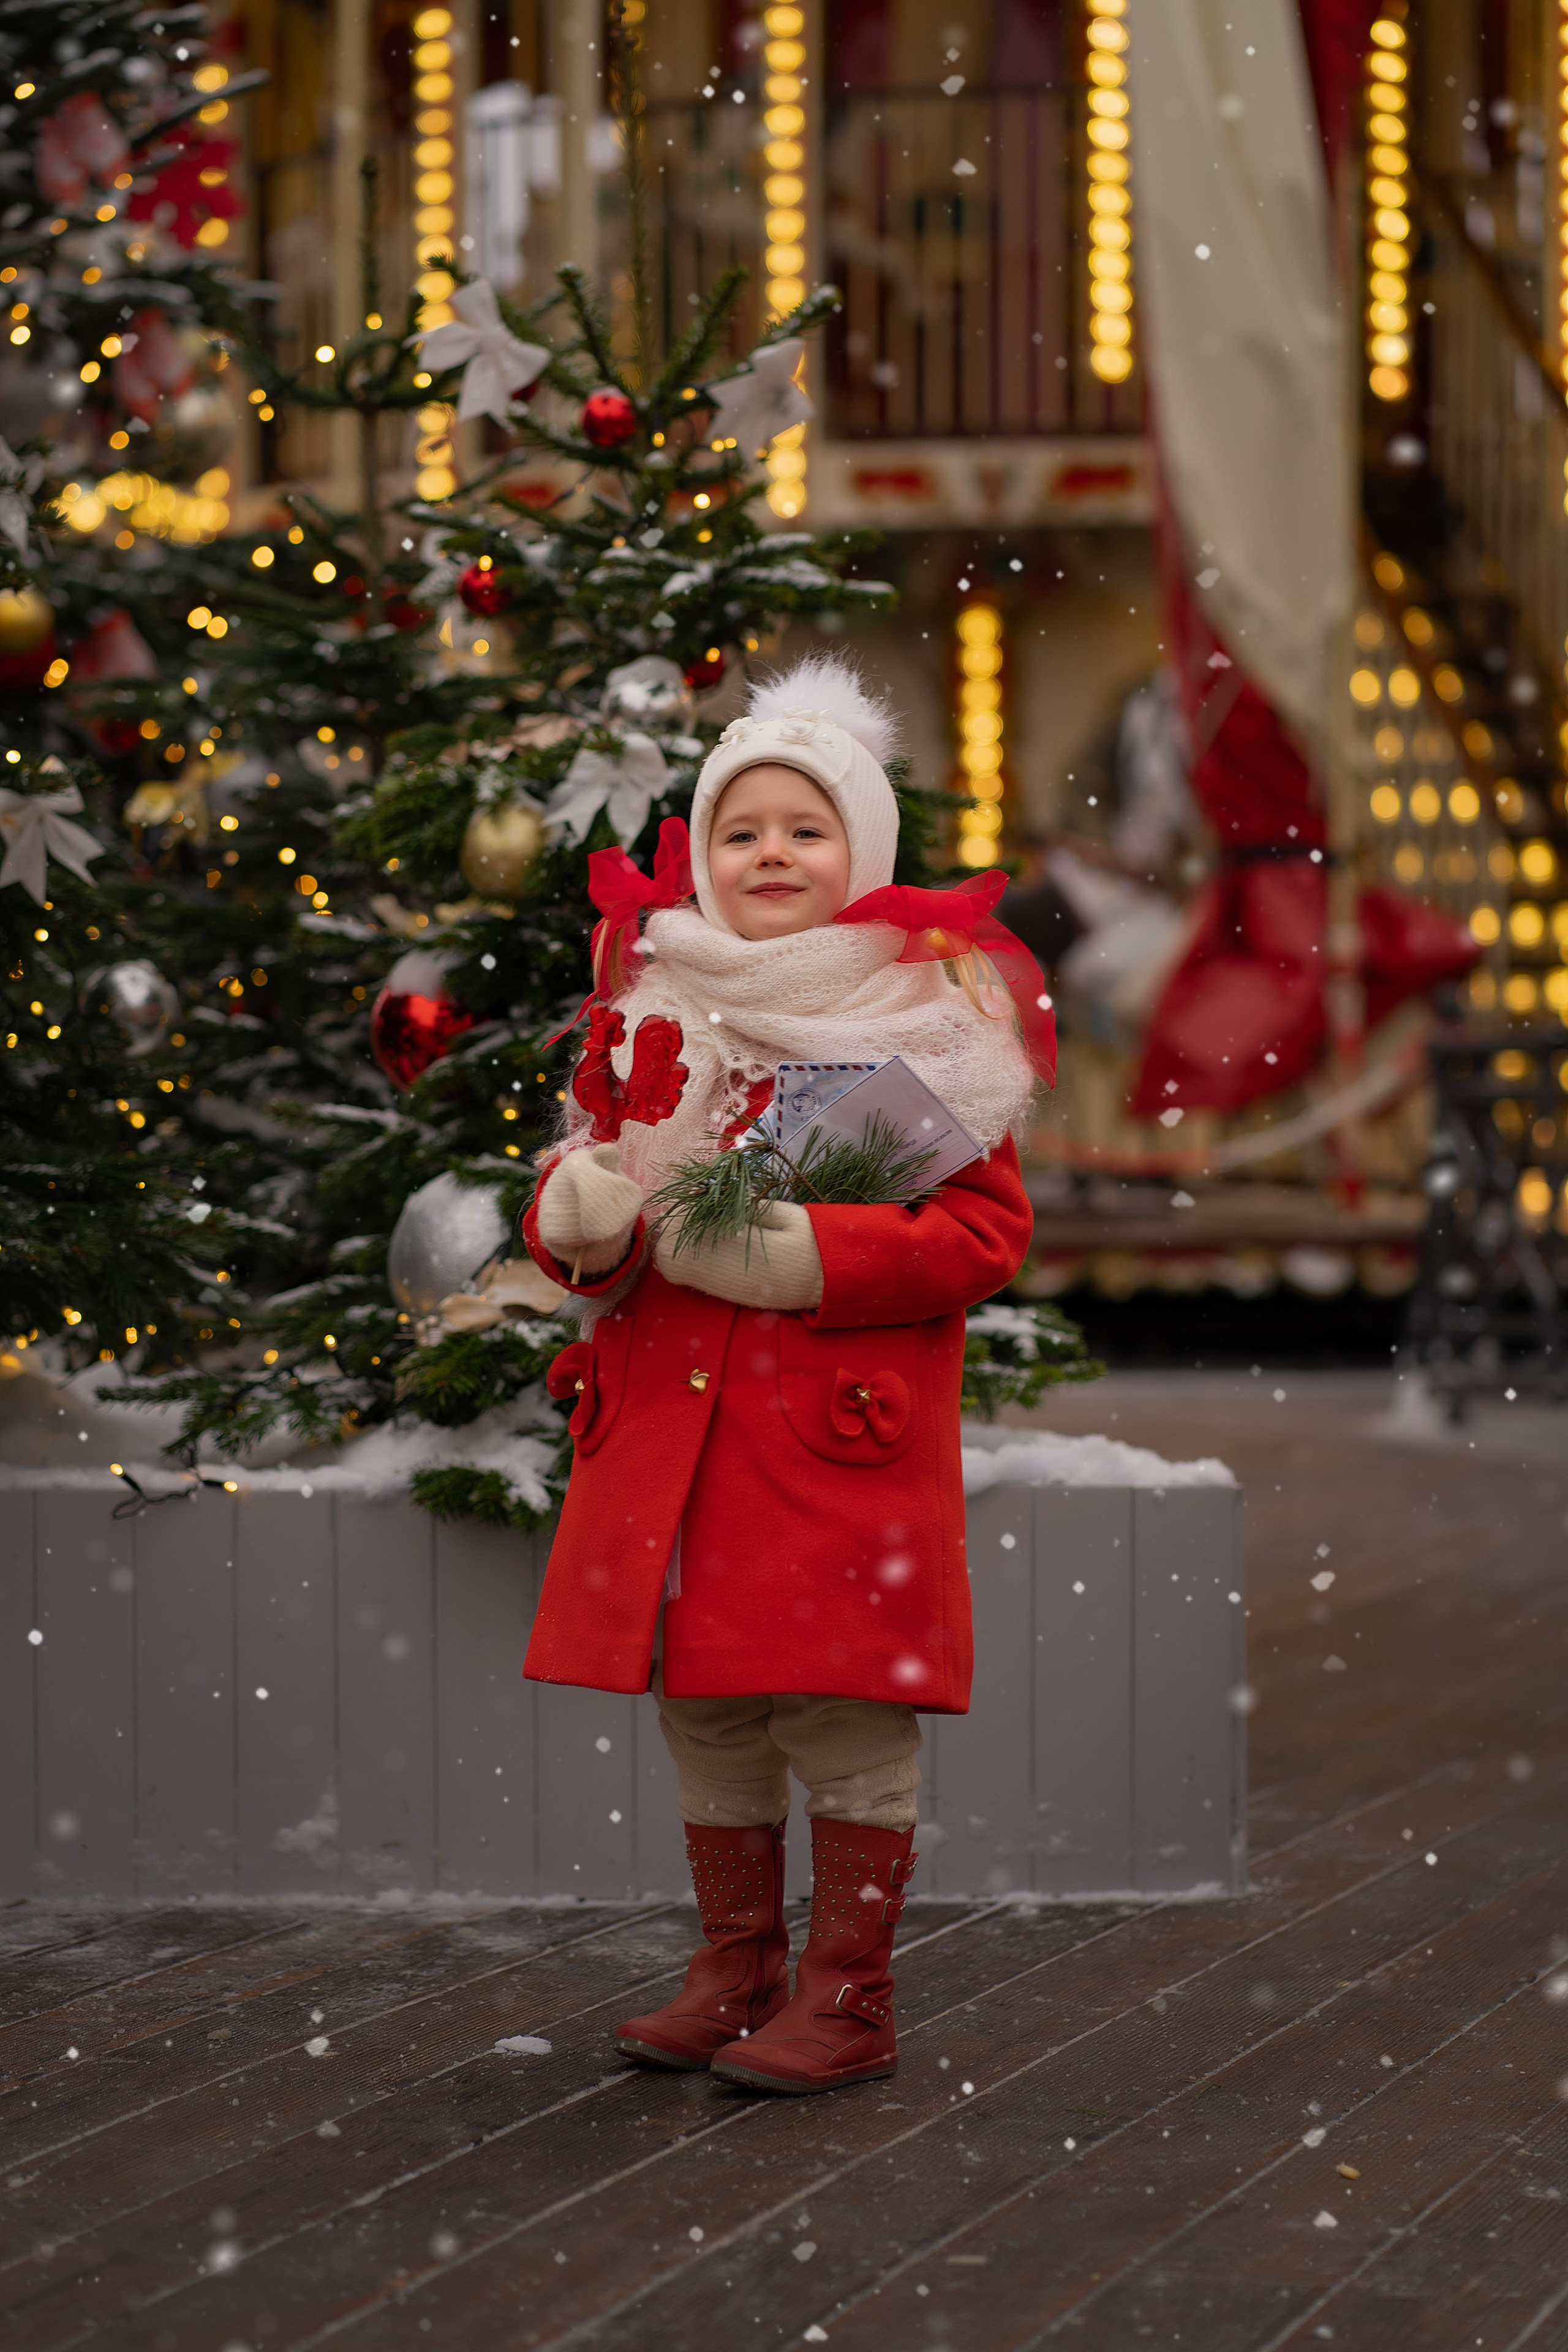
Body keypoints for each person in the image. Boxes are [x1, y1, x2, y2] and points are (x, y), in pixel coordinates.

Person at [521, 655, 1036, 2094]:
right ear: (703, 852)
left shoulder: (924, 1028)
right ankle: (733, 1971)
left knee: (836, 1713)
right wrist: (576, 1225)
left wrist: (805, 1254)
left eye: (805, 830)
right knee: (709, 1713)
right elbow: (593, 1204)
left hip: (821, 1447)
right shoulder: (651, 1006)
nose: (768, 853)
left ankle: (848, 1998)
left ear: (858, 853)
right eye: (739, 830)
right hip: (673, 1448)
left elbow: (979, 1236)